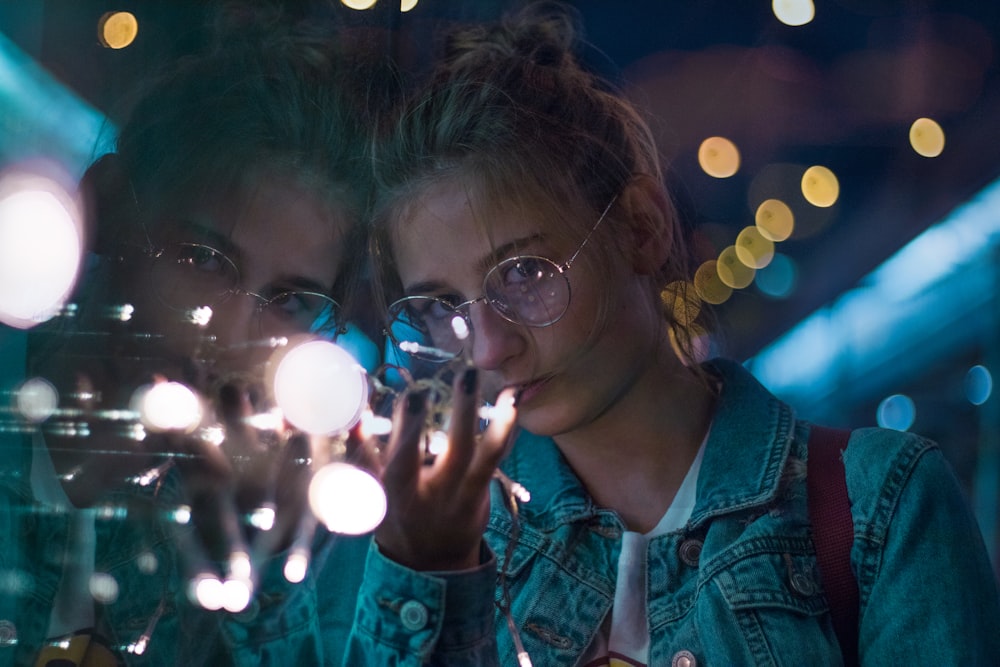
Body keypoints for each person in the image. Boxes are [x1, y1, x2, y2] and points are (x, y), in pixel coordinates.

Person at [343, 2, 1000, 665]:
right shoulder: (439, 542)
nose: (487, 347)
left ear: (643, 226)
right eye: (440, 306)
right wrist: (422, 578)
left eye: (524, 272)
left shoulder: (875, 505)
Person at [0, 9, 380, 666]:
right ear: (112, 208)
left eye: (288, 301)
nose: (231, 332)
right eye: (203, 259)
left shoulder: (303, 543)